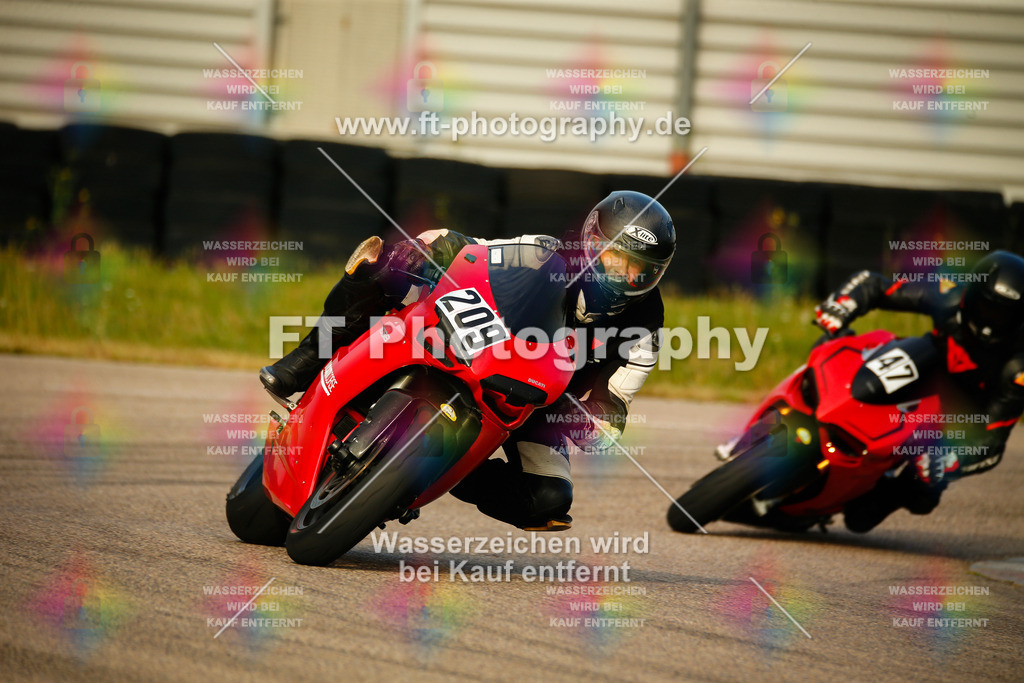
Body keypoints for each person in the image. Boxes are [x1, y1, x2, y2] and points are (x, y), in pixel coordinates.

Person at [260, 190, 676, 530]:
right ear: (590, 243)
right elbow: (474, 251)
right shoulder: (546, 252)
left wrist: (594, 422)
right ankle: (307, 358)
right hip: (485, 342)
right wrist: (426, 251)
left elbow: (616, 401)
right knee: (383, 265)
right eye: (616, 258)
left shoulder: (646, 328)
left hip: (539, 403)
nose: (625, 276)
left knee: (547, 498)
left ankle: (455, 471)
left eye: (641, 269)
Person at [812, 251, 1024, 532]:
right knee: (829, 342)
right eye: (988, 309)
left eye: (1004, 317)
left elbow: (993, 443)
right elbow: (875, 285)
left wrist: (952, 460)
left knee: (882, 511)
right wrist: (842, 304)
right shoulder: (948, 293)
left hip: (960, 412)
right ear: (970, 296)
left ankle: (873, 486)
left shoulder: (1019, 369)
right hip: (928, 359)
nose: (991, 323)